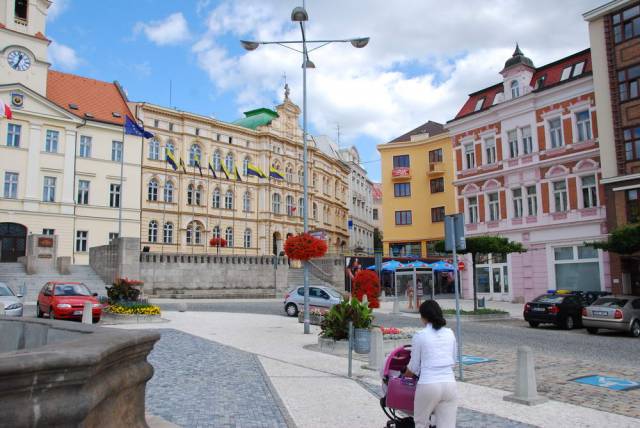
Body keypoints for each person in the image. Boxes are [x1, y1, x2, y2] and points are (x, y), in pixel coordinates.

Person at [402, 300, 457, 428]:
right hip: (449, 384)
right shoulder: (450, 333)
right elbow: (453, 361)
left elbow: (414, 367)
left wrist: (404, 375)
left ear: (423, 317)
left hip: (429, 384)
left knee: (421, 423)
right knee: (447, 425)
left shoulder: (420, 336)